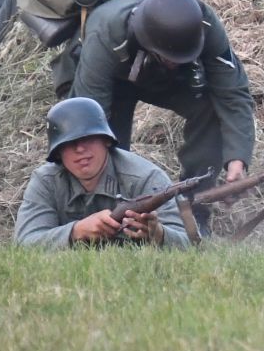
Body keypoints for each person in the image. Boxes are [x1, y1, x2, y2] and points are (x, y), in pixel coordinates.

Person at [70, 0, 256, 229]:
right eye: (171, 57)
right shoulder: (106, 33)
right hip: (112, 81)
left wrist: (237, 160)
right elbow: (87, 120)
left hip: (160, 77)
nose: (174, 62)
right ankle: (106, 218)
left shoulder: (204, 25)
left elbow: (233, 94)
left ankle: (194, 213)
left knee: (209, 107)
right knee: (104, 142)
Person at [14, 97, 191, 249]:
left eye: (88, 138)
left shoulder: (146, 177)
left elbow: (191, 244)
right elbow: (24, 243)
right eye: (69, 143)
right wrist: (76, 231)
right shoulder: (46, 181)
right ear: (58, 152)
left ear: (106, 141)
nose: (80, 149)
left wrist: (159, 235)